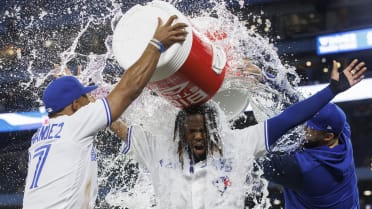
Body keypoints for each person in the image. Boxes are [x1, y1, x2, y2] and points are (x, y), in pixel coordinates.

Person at [117, 58, 367, 209]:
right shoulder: (341, 130)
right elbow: (297, 109)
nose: (303, 127)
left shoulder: (308, 172)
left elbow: (283, 124)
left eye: (310, 127)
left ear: (326, 136)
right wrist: (268, 80)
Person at [22, 15, 188, 209]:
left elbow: (79, 109)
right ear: (75, 105)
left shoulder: (42, 135)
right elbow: (128, 90)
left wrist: (74, 90)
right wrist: (156, 44)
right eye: (86, 98)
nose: (91, 102)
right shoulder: (75, 125)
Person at [258, 102, 360, 209]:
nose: (303, 126)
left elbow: (249, 158)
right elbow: (296, 99)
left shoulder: (306, 169)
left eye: (310, 127)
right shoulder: (342, 132)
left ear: (328, 137)